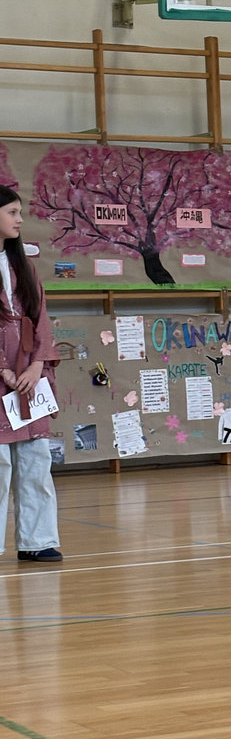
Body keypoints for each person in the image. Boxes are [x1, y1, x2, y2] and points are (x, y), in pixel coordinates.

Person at [0, 185, 62, 561]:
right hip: (5, 376)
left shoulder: (25, 267)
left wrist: (38, 364)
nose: (20, 219)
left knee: (36, 458)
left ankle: (38, 542)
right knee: (0, 463)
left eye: (20, 212)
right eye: (12, 212)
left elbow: (41, 319)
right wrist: (3, 371)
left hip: (29, 376)